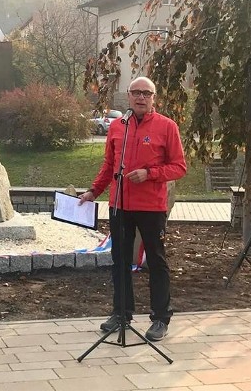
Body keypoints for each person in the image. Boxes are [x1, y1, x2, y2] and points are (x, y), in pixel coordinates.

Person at [79, 77, 186, 341]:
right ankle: (121, 313)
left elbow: (179, 167)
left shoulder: (167, 127)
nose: (141, 97)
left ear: (154, 97)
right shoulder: (118, 127)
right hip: (120, 206)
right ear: (128, 96)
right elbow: (109, 165)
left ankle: (160, 318)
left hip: (151, 207)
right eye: (136, 92)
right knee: (120, 262)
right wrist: (94, 191)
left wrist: (150, 174)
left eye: (146, 93)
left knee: (157, 262)